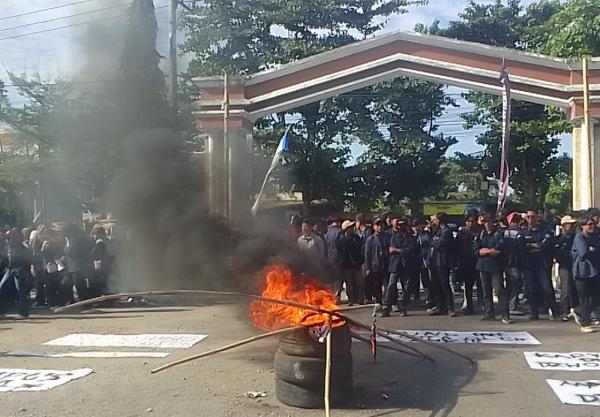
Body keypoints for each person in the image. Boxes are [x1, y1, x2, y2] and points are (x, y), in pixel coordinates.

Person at [518, 209, 559, 320]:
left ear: (537, 217)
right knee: (530, 289)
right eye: (528, 217)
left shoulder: (545, 231)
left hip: (543, 265)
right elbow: (521, 247)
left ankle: (555, 312)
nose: (530, 219)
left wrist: (532, 246)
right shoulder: (523, 232)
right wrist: (536, 246)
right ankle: (533, 312)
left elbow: (546, 245)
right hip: (528, 265)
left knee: (547, 288)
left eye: (533, 217)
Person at [473, 214, 512, 324]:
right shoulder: (480, 234)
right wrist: (489, 251)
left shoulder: (498, 234)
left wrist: (486, 251)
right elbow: (477, 251)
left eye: (489, 221)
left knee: (499, 290)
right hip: (482, 266)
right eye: (485, 222)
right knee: (486, 292)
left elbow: (498, 251)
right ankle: (489, 312)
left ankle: (505, 314)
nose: (487, 224)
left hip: (496, 267)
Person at [383, 218, 417, 317]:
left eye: (403, 225)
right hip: (395, 265)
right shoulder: (394, 237)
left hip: (406, 265)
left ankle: (403, 307)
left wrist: (397, 250)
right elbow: (390, 249)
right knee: (390, 286)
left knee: (406, 287)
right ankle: (386, 307)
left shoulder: (411, 238)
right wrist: (400, 250)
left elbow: (409, 250)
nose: (401, 227)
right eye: (399, 225)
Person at [571, 215, 600, 333]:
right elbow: (584, 253)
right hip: (582, 272)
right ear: (583, 226)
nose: (592, 226)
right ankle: (585, 322)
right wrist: (591, 250)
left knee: (594, 297)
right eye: (589, 224)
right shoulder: (579, 237)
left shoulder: (595, 237)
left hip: (594, 271)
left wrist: (593, 249)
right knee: (585, 297)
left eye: (593, 224)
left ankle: (578, 311)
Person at [0, 228, 33, 318]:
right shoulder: (9, 246)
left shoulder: (21, 247)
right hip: (10, 269)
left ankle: (24, 311)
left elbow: (27, 259)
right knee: (2, 287)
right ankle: (2, 310)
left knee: (21, 291)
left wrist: (25, 269)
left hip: (19, 270)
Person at [429, 212, 457, 316]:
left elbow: (439, 244)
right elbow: (431, 242)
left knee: (445, 284)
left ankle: (450, 308)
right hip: (435, 261)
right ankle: (440, 306)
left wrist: (433, 243)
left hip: (443, 261)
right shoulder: (437, 231)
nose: (434, 221)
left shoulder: (446, 231)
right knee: (436, 285)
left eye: (435, 219)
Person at [555, 215, 580, 322]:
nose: (573, 226)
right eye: (570, 224)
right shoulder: (559, 239)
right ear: (564, 226)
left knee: (575, 289)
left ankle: (577, 310)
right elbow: (557, 254)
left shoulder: (576, 237)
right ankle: (563, 311)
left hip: (575, 266)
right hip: (565, 267)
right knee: (566, 289)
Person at [456, 215, 481, 315]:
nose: (470, 223)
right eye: (468, 221)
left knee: (481, 285)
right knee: (467, 286)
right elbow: (457, 248)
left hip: (478, 261)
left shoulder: (479, 232)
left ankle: (482, 304)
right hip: (465, 263)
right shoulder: (461, 233)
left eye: (473, 221)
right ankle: (468, 306)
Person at [502, 212, 525, 315]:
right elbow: (522, 247)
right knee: (516, 283)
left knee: (509, 284)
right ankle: (512, 306)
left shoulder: (504, 232)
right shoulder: (519, 232)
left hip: (506, 261)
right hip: (515, 261)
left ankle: (508, 305)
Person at [364, 218, 389, 316]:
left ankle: (387, 304)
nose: (380, 227)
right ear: (374, 227)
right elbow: (367, 254)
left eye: (381, 225)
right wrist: (367, 267)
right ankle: (379, 304)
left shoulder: (388, 237)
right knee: (377, 287)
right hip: (375, 266)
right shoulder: (370, 239)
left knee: (388, 286)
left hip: (386, 265)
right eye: (377, 225)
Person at [336, 220, 363, 305]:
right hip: (346, 266)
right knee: (349, 283)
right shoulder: (340, 241)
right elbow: (340, 254)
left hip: (357, 265)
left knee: (360, 282)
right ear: (346, 229)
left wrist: (360, 261)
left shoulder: (356, 238)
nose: (352, 228)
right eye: (350, 227)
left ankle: (360, 299)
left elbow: (361, 250)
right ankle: (351, 299)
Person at [355, 213, 372, 304]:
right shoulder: (356, 231)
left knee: (367, 277)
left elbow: (367, 245)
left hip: (366, 257)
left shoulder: (367, 231)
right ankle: (362, 295)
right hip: (359, 258)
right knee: (361, 278)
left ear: (359, 222)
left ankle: (368, 296)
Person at [324, 217, 343, 302]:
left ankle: (330, 296)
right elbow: (341, 245)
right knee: (338, 278)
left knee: (330, 279)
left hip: (328, 257)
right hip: (337, 257)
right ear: (338, 222)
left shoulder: (326, 231)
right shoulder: (339, 231)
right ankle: (337, 297)